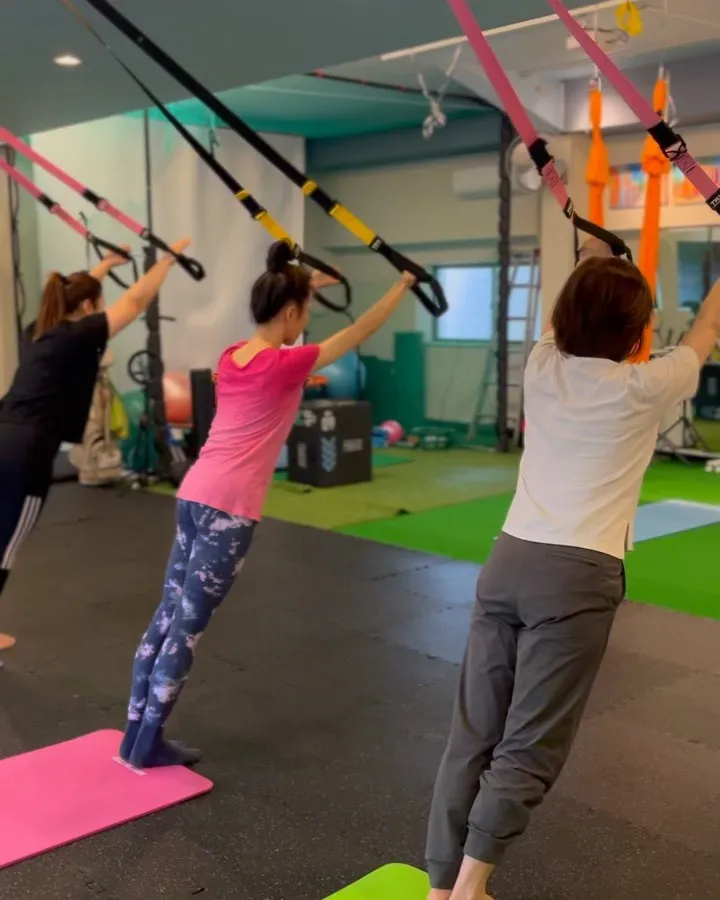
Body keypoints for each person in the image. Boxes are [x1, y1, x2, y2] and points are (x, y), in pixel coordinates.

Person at [425, 236, 720, 900]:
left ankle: (440, 887)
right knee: (530, 744)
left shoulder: (538, 365)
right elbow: (707, 326)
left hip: (506, 563)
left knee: (472, 734)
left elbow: (566, 317)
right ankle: (469, 891)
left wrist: (591, 256)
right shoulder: (646, 385)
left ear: (563, 314)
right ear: (639, 332)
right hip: (577, 576)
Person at [118, 241, 416, 770]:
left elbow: (287, 311)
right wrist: (401, 287)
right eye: (303, 312)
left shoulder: (231, 357)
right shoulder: (287, 364)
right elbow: (359, 331)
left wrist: (306, 286)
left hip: (192, 494)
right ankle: (149, 743)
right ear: (290, 313)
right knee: (187, 626)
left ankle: (133, 735)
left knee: (166, 615)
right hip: (229, 510)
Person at [0, 239, 191, 655]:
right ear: (88, 307)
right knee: (7, 540)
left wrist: (104, 265)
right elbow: (136, 300)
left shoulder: (42, 331)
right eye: (95, 302)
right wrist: (169, 260)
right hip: (27, 448)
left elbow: (79, 293)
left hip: (4, 432)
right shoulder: (81, 332)